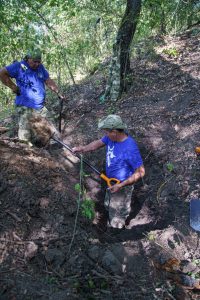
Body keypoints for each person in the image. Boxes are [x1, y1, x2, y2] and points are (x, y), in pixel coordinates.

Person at [73, 114, 145, 230]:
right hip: (111, 182)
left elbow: (141, 172)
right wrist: (83, 148)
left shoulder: (130, 148)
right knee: (108, 204)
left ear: (115, 132)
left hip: (122, 187)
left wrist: (121, 185)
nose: (105, 134)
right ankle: (110, 213)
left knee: (118, 213)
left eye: (107, 132)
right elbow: (98, 143)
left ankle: (116, 230)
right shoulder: (111, 138)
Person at [0, 48, 65, 146]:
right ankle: (27, 151)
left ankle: (53, 145)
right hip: (24, 105)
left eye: (39, 62)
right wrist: (13, 86)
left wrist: (58, 92)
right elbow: (2, 72)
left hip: (39, 106)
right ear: (28, 59)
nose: (37, 64)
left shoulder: (40, 68)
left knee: (50, 124)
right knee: (25, 131)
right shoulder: (19, 66)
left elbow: (48, 80)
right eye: (35, 61)